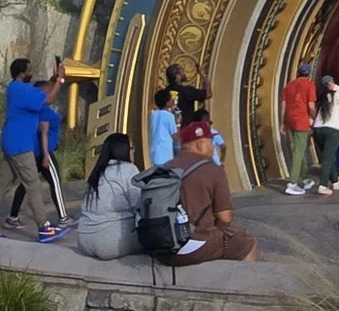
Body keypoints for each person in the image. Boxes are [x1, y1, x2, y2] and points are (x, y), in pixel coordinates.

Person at [0, 55, 70, 243]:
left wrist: (56, 78)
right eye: (30, 70)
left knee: (3, 184)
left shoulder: (17, 88)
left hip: (13, 142)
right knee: (33, 184)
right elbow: (48, 98)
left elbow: (44, 89)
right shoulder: (20, 89)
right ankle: (43, 227)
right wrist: (61, 80)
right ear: (22, 73)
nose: (32, 73)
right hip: (20, 144)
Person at [158, 118, 256, 263]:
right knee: (247, 242)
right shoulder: (213, 170)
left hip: (161, 247)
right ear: (200, 144)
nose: (213, 147)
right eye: (211, 142)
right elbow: (225, 217)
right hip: (193, 246)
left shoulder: (165, 167)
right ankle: (243, 284)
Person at [76, 133, 145, 260]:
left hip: (84, 240)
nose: (134, 151)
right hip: (109, 242)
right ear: (123, 150)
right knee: (155, 237)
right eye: (132, 148)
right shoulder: (128, 169)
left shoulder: (97, 172)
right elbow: (140, 204)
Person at [281, 62, 323, 195]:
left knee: (300, 147)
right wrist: (317, 118)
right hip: (301, 119)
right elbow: (310, 105)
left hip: (290, 119)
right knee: (299, 151)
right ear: (309, 74)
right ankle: (292, 183)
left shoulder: (289, 85)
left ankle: (305, 179)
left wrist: (283, 123)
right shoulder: (309, 85)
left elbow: (283, 104)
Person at [312, 70, 339, 195]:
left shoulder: (321, 96)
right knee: (328, 158)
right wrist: (335, 86)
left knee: (326, 156)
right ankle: (323, 185)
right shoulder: (335, 95)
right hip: (331, 129)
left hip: (317, 128)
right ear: (331, 84)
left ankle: (334, 180)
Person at [146, 85, 180, 169]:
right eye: (171, 99)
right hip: (165, 153)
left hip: (154, 152)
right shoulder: (169, 116)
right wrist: (178, 123)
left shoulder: (153, 114)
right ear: (167, 102)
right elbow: (175, 136)